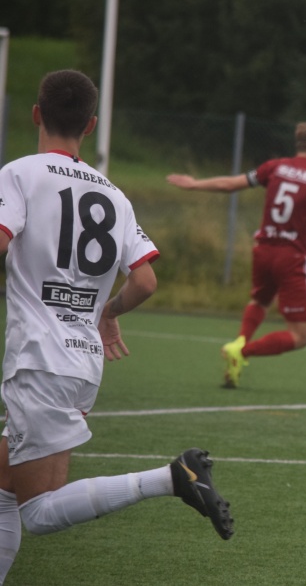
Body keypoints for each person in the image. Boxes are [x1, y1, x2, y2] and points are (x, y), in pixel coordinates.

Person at [0, 70, 233, 583]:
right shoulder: (113, 194)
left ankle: (171, 478)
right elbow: (145, 280)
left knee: (38, 512)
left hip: (39, 360)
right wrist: (106, 313)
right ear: (91, 125)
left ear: (36, 115)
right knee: (3, 485)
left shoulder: (19, 174)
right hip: (83, 360)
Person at [167, 118, 306, 388]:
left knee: (260, 300)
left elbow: (230, 185)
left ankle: (239, 346)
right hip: (292, 258)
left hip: (263, 251)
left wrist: (194, 184)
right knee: (301, 336)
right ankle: (242, 352)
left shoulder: (275, 167)